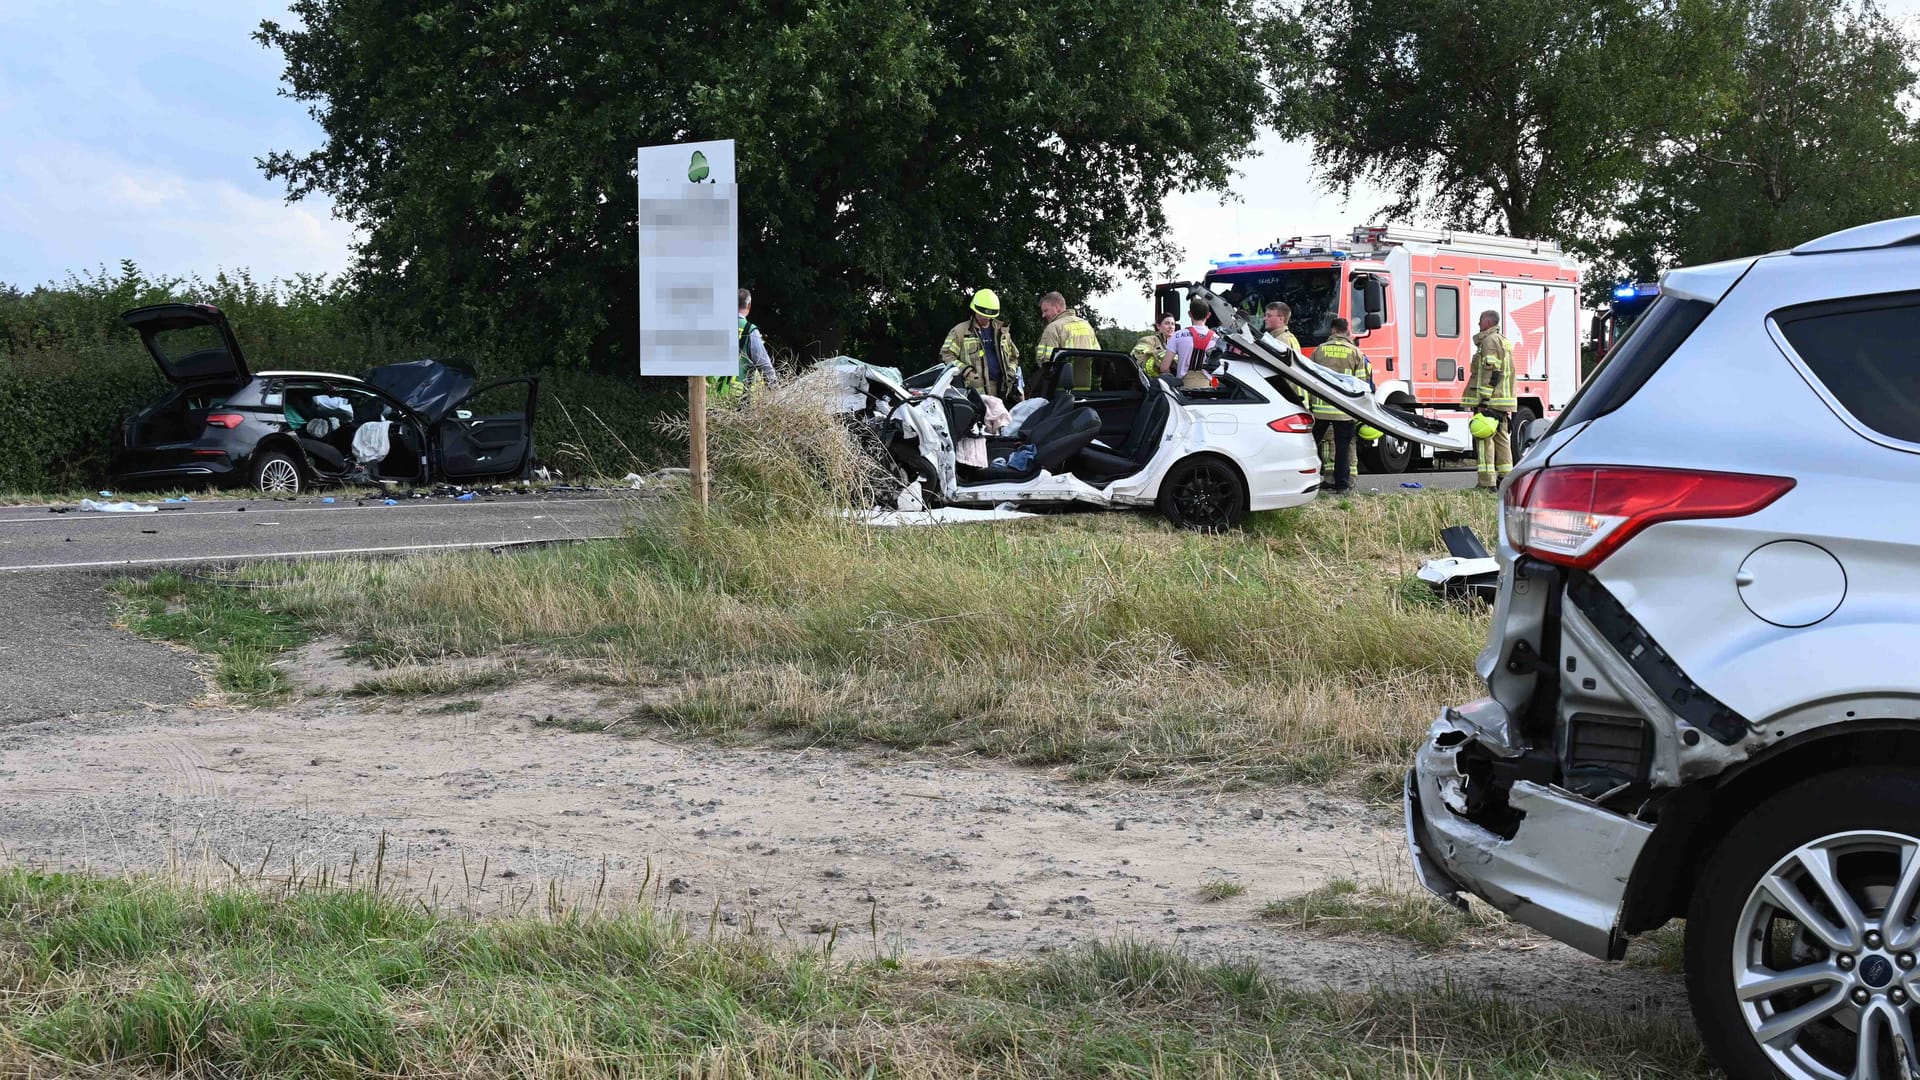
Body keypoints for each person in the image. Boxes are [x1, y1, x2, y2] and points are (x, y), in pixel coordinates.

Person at [1310, 317, 1370, 494]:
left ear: (1333, 331)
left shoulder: (1320, 350)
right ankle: (1342, 485)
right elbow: (1361, 383)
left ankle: (1308, 481)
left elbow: (1309, 376)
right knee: (1343, 448)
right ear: (1346, 331)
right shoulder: (1355, 353)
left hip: (1321, 409)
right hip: (1344, 409)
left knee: (1312, 445)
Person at [1464, 309, 1516, 489]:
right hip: (1502, 400)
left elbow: (1491, 372)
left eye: (1480, 320)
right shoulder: (1502, 340)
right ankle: (1506, 480)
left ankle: (1486, 483)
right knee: (1502, 440)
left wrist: (1484, 400)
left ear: (1487, 322)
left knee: (1484, 439)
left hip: (1491, 400)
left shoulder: (1489, 341)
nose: (1478, 324)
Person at [941, 288, 1022, 403]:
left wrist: (1011, 372)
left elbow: (1013, 356)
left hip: (1002, 391)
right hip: (976, 394)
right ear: (974, 310)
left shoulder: (1002, 331)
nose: (986, 318)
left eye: (988, 316)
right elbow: (946, 355)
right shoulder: (960, 331)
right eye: (982, 315)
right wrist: (966, 371)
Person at [710, 288, 780, 400]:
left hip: (713, 397)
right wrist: (776, 393)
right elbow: (764, 366)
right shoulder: (749, 331)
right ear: (749, 306)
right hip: (738, 398)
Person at [1034, 292, 1101, 390]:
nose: (1043, 315)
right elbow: (1098, 359)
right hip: (1085, 389)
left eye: (1045, 310)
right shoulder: (1087, 325)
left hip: (1060, 390)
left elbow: (1046, 363)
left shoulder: (1053, 328)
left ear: (1056, 307)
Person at [1168, 297, 1219, 389]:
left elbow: (1164, 367)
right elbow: (1218, 372)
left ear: (1189, 314)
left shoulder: (1177, 335)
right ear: (1208, 315)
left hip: (1183, 390)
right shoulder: (1217, 339)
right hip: (1209, 388)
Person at [1131, 313, 1177, 377]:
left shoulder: (1176, 344)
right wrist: (1161, 360)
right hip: (1150, 383)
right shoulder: (1148, 340)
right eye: (1167, 323)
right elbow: (1138, 359)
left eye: (1173, 324)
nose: (1171, 327)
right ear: (1158, 326)